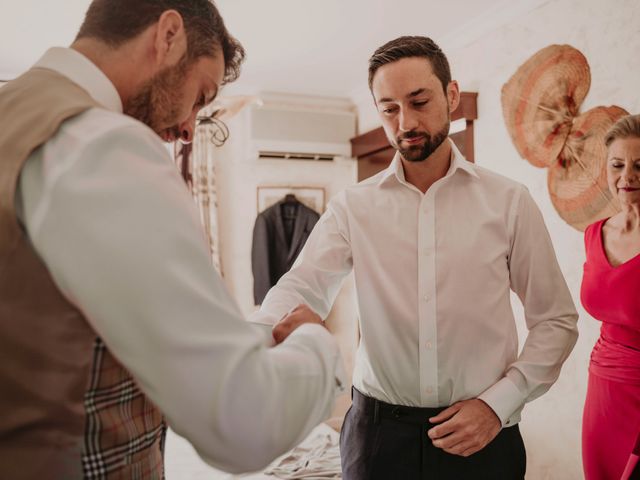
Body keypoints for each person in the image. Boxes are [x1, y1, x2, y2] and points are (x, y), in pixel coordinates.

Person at [0, 1, 345, 479]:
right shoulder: (100, 145)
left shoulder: (14, 117)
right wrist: (320, 346)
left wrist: (259, 334)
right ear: (168, 35)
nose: (187, 129)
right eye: (201, 96)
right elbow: (241, 422)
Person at [251, 35, 579, 479]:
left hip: (483, 434)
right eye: (389, 108)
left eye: (419, 101)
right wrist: (253, 338)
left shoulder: (509, 202)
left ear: (452, 95)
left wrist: (498, 404)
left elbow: (555, 320)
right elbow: (299, 286)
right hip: (377, 438)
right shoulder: (353, 207)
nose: (405, 121)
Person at [581, 114, 640, 480]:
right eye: (617, 164)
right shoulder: (593, 234)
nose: (627, 176)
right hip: (603, 394)